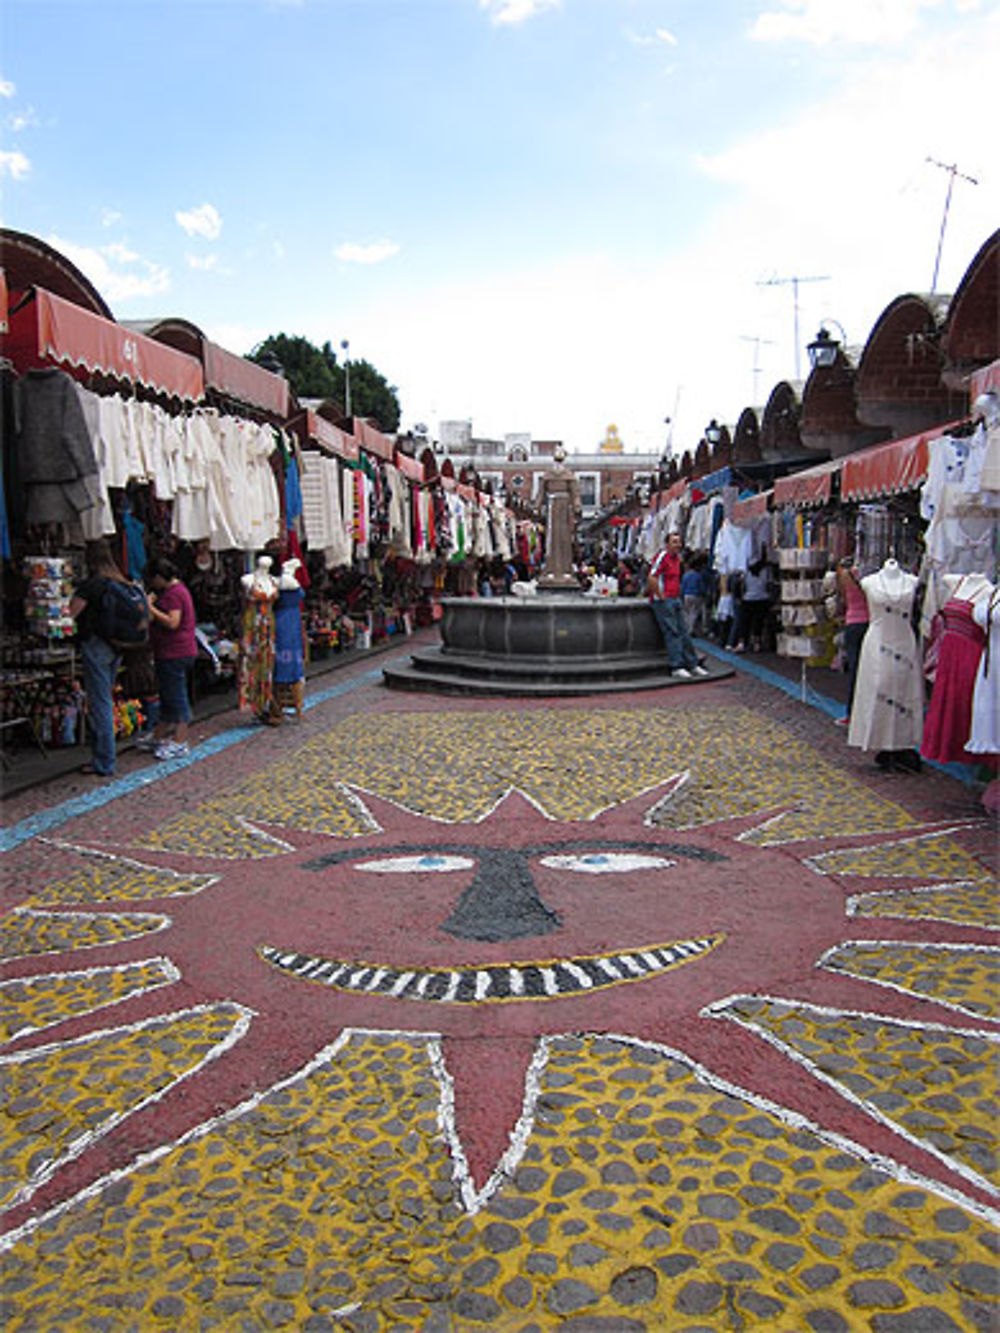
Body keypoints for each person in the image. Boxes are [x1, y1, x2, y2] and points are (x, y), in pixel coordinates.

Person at [69, 538, 144, 777]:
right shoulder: (121, 581)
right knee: (106, 699)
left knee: (100, 702)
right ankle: (105, 755)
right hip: (117, 647)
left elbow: (69, 614)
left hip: (97, 645)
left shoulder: (92, 585)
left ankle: (104, 761)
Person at [144, 554, 197, 760]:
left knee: (176, 696)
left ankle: (180, 740)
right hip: (174, 650)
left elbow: (173, 622)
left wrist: (151, 608)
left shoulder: (174, 594)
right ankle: (158, 736)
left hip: (175, 651)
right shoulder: (178, 591)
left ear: (159, 576)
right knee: (169, 696)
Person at [646, 533, 709, 679]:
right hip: (665, 600)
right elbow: (652, 576)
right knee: (672, 632)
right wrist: (661, 596)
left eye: (679, 542)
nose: (678, 545)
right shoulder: (662, 557)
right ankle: (677, 665)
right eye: (674, 542)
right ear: (667, 544)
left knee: (683, 631)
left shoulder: (677, 560)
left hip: (675, 598)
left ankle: (692, 663)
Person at [835, 556, 870, 726]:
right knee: (868, 670)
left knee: (854, 670)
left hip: (853, 623)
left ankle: (851, 713)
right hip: (869, 623)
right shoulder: (869, 579)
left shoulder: (844, 577)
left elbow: (843, 600)